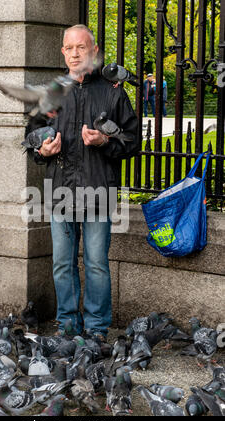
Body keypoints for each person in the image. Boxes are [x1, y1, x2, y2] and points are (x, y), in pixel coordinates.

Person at [26, 24, 138, 340]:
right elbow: (30, 137)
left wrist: (105, 141)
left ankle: (98, 328)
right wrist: (42, 149)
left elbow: (132, 142)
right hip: (60, 190)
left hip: (98, 190)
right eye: (69, 48)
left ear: (93, 51)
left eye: (81, 47)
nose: (75, 53)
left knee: (97, 264)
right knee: (62, 263)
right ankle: (67, 325)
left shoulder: (112, 91)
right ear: (63, 52)